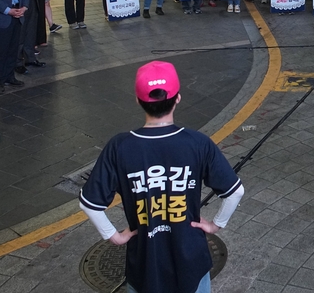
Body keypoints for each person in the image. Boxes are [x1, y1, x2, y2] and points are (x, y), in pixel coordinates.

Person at [79, 61, 245, 293]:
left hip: (145, 262)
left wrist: (114, 236)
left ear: (138, 101)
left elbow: (90, 203)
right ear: (177, 98)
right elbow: (235, 191)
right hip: (191, 259)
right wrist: (216, 224)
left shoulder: (120, 147)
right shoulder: (198, 143)